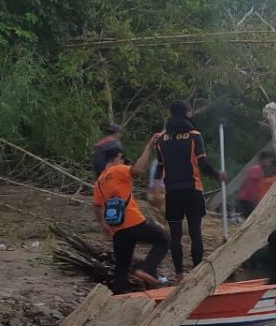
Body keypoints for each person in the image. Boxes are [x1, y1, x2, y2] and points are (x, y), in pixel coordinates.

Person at [154, 100, 225, 281]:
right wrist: (218, 175)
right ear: (187, 113)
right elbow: (202, 164)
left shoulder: (161, 139)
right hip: (192, 190)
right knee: (195, 233)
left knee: (175, 236)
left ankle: (179, 275)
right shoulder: (194, 135)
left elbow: (160, 166)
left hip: (172, 192)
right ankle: (196, 274)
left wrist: (155, 186)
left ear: (171, 114)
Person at [93, 135, 168, 293]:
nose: (123, 161)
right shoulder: (119, 170)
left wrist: (104, 225)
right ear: (118, 157)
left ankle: (118, 297)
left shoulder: (99, 181)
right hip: (133, 222)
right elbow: (138, 171)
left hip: (117, 229)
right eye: (122, 158)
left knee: (122, 266)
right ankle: (147, 269)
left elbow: (97, 206)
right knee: (162, 240)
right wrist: (149, 147)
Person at [237, 152, 274, 218]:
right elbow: (250, 184)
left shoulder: (261, 171)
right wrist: (254, 198)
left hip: (249, 199)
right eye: (268, 161)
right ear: (263, 160)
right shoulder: (256, 169)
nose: (269, 163)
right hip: (247, 199)